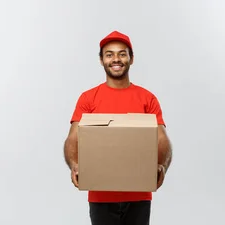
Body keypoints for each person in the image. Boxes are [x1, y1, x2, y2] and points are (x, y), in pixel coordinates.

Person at [63, 30, 173, 225]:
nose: (116, 59)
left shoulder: (147, 98)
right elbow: (73, 138)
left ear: (131, 59)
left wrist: (162, 165)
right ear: (101, 60)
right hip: (100, 194)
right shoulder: (88, 98)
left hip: (139, 194)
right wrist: (74, 165)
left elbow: (161, 138)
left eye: (122, 54)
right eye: (109, 54)